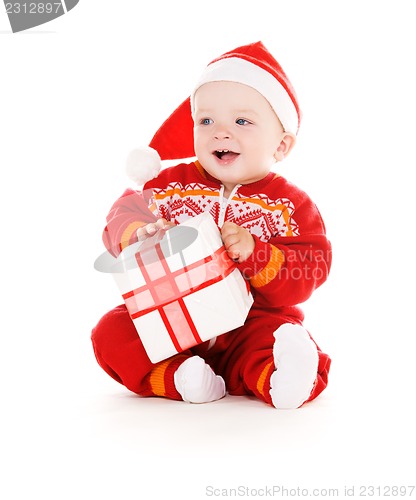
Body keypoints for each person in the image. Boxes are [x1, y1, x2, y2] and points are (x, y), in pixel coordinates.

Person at [91, 41, 332, 409]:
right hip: (170, 319)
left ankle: (284, 377)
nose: (220, 132)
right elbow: (120, 215)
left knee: (272, 339)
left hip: (248, 324)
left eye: (242, 121)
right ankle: (181, 377)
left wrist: (256, 252)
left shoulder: (290, 206)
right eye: (206, 120)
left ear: (281, 145)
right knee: (111, 333)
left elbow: (309, 268)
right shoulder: (169, 186)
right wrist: (139, 232)